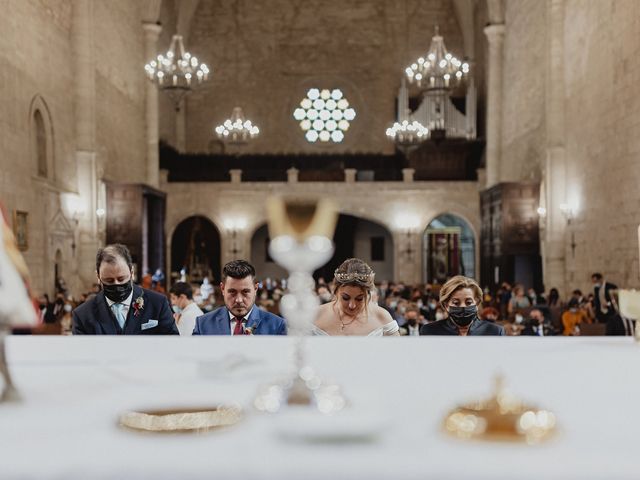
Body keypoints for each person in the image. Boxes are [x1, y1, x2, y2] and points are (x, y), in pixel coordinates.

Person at [72, 244, 178, 335]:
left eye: (121, 279)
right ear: (98, 277)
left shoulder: (158, 304)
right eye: (109, 280)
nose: (116, 284)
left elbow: (173, 346)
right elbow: (82, 356)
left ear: (132, 273)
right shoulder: (83, 315)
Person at [193, 260, 286, 335]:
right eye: (232, 292)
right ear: (222, 289)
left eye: (245, 292)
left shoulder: (276, 326)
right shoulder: (203, 324)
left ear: (255, 288)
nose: (239, 300)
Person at [312, 258, 399, 336]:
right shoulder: (316, 315)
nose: (352, 305)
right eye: (345, 298)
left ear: (368, 294)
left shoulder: (382, 317)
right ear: (336, 291)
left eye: (359, 299)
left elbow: (398, 352)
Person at [420, 275, 504, 336]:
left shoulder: (495, 331)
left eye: (468, 303)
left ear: (477, 304)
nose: (463, 307)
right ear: (446, 306)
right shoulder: (430, 331)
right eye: (456, 303)